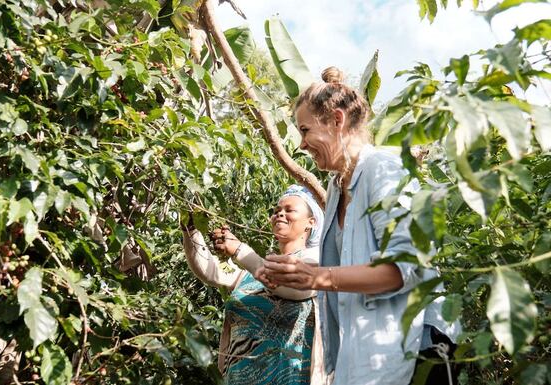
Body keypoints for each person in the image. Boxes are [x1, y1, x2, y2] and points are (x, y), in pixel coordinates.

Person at [257, 67, 460, 385]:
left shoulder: (384, 169)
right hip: (367, 351)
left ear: (337, 121)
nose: (301, 144)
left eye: (305, 130)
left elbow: (405, 267)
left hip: (419, 350)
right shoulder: (337, 187)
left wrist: (317, 276)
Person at [182, 185, 327, 385]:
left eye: (289, 210)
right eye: (276, 211)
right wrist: (191, 229)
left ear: (311, 222)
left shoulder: (316, 264)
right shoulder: (252, 271)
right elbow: (211, 272)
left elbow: (291, 286)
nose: (280, 215)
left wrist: (240, 250)